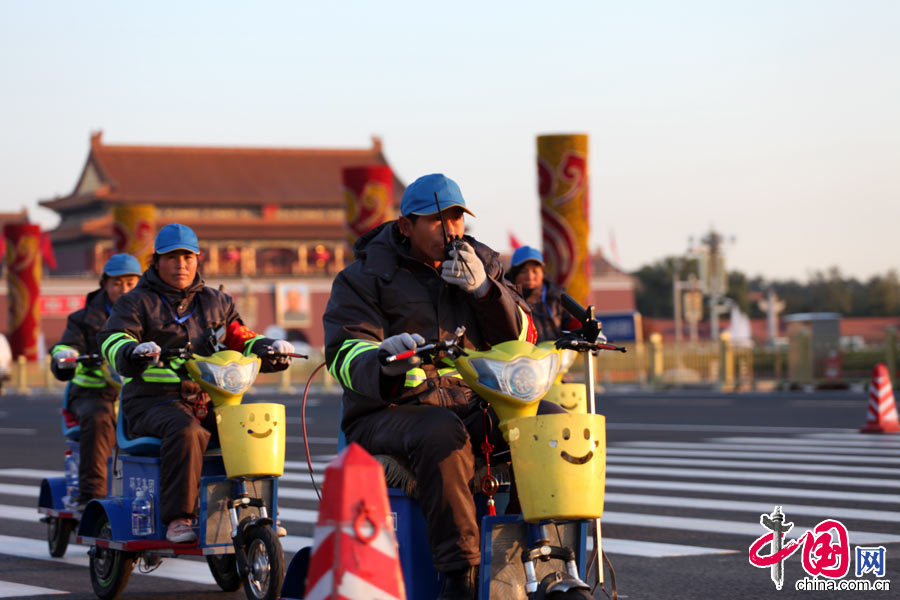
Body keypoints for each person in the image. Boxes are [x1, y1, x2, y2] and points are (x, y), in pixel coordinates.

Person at [323, 173, 559, 600]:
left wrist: (486, 292)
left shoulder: (481, 264)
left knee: (549, 423)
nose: (450, 230)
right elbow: (342, 353)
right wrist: (385, 360)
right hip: (387, 412)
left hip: (467, 403)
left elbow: (523, 336)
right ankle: (458, 575)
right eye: (435, 220)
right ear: (405, 226)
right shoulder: (363, 277)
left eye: (456, 218)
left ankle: (530, 546)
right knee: (440, 432)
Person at [98, 223, 294, 544]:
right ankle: (179, 518)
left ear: (197, 259)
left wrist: (268, 347)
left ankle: (256, 510)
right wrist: (133, 350)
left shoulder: (217, 301)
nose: (181, 264)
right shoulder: (134, 303)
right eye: (172, 257)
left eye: (188, 257)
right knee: (187, 430)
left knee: (250, 428)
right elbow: (113, 339)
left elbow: (238, 336)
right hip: (151, 402)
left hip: (207, 400)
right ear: (156, 261)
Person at [50, 253, 142, 509]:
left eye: (130, 283)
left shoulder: (150, 313)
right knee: (100, 419)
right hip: (92, 393)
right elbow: (65, 346)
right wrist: (66, 354)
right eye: (117, 283)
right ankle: (91, 498)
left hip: (137, 391)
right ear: (104, 284)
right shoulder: (82, 319)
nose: (124, 289)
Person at [507, 245, 575, 343]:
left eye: (535, 271)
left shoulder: (557, 297)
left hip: (555, 357)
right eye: (523, 271)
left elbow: (573, 326)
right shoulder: (505, 300)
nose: (530, 276)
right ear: (513, 274)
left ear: (543, 272)